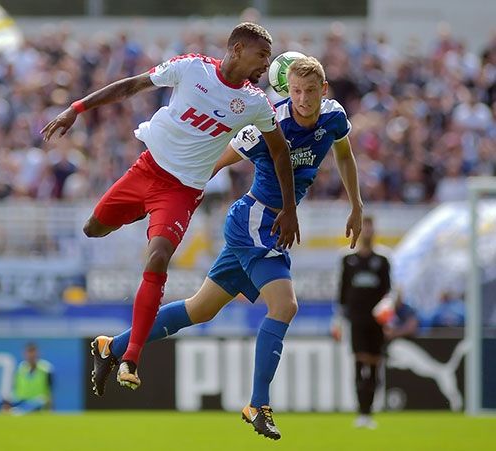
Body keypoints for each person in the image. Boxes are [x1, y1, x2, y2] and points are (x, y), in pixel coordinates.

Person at [91, 56, 363, 440]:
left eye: (311, 91)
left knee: (200, 309)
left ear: (324, 91)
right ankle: (258, 403)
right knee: (285, 305)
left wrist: (357, 204)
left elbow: (345, 154)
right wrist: (182, 192)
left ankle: (112, 346)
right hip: (253, 221)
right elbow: (222, 158)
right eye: (296, 91)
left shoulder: (333, 118)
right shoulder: (272, 122)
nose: (303, 99)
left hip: (268, 226)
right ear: (288, 90)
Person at [42, 22, 300, 389]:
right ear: (238, 48)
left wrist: (289, 208)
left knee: (158, 257)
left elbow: (280, 151)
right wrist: (76, 108)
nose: (265, 65)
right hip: (146, 170)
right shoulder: (192, 67)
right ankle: (141, 213)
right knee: (93, 228)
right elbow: (132, 85)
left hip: (180, 192)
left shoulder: (255, 103)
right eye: (261, 56)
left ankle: (129, 356)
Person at [334, 216, 390, 429]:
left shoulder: (383, 259)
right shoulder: (347, 259)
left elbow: (388, 291)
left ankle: (369, 410)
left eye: (369, 226)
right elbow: (341, 293)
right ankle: (361, 411)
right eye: (364, 226)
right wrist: (338, 321)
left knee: (375, 365)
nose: (367, 230)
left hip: (376, 321)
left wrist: (388, 314)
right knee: (359, 363)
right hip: (356, 320)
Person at [0, 342, 53, 415]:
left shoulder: (46, 369)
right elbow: (15, 388)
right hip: (20, 399)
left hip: (35, 401)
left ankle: (16, 411)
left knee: (38, 402)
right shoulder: (21, 369)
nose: (31, 355)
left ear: (37, 354)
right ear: (25, 354)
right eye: (29, 352)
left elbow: (50, 393)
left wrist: (49, 408)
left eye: (33, 352)